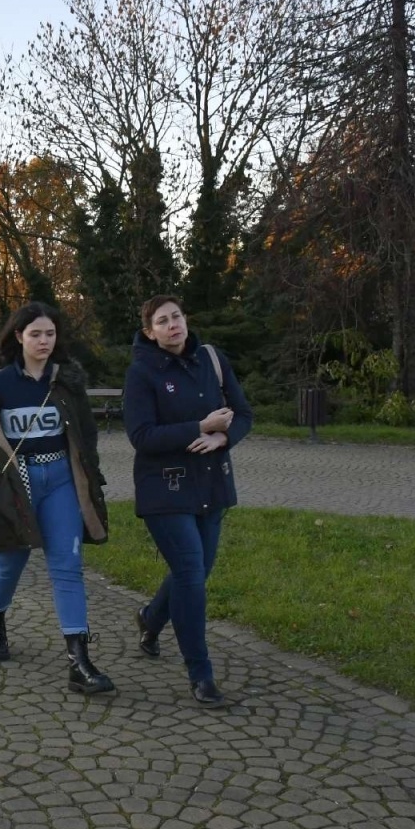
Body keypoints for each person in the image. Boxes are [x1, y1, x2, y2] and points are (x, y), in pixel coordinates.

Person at [0, 302, 112, 693]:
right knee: (11, 562)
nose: (44, 341)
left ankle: (78, 660)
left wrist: (89, 474)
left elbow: (86, 432)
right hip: (17, 485)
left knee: (67, 565)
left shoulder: (66, 381)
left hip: (61, 480)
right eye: (35, 334)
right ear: (18, 337)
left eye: (50, 334)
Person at [123, 295, 253, 707]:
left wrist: (222, 436)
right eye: (162, 321)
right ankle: (202, 675)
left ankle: (151, 618)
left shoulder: (212, 359)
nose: (173, 325)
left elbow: (244, 414)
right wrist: (199, 425)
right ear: (150, 332)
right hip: (165, 488)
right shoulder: (142, 372)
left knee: (194, 570)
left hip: (211, 484)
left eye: (177, 316)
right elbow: (141, 436)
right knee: (192, 573)